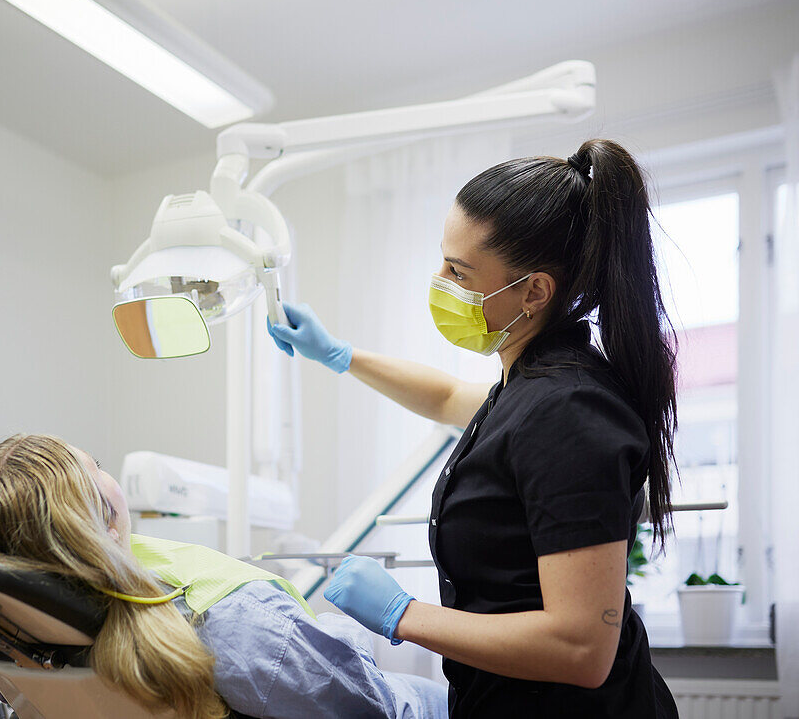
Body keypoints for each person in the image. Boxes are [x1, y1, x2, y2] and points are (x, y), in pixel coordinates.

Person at [266, 139, 680, 718]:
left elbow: (583, 647)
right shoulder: (530, 383)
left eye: (458, 271)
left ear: (535, 291)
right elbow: (444, 397)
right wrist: (338, 354)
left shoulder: (569, 411)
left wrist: (403, 615)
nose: (439, 281)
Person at [0, 433, 448, 719]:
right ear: (107, 514)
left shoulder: (4, 640)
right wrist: (346, 636)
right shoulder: (234, 628)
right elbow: (369, 710)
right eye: (100, 464)